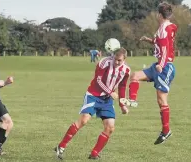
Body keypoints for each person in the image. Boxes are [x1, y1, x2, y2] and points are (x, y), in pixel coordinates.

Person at [55, 47, 130, 160]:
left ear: (124, 60)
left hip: (107, 100)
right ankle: (61, 146)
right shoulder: (104, 62)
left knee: (110, 127)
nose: (116, 62)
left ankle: (94, 153)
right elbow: (98, 80)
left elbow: (122, 86)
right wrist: (110, 92)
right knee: (84, 120)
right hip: (93, 95)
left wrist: (122, 104)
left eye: (119, 60)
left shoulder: (126, 70)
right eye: (115, 59)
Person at [120, 2, 177, 145]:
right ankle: (133, 100)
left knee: (161, 100)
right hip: (158, 65)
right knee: (135, 76)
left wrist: (161, 65)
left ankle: (166, 131)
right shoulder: (167, 27)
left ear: (159, 15)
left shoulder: (164, 28)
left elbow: (165, 50)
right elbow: (162, 44)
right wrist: (150, 40)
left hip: (165, 67)